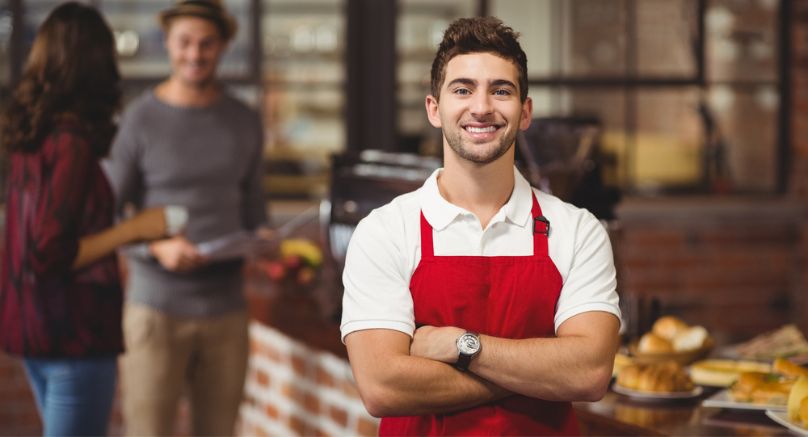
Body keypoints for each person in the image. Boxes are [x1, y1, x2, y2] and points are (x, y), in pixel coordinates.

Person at [341, 16, 621, 436]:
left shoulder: (576, 230)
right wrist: (536, 376)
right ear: (434, 109)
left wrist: (460, 345)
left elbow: (588, 375)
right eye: (462, 89)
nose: (482, 107)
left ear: (525, 112)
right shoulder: (384, 231)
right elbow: (382, 387)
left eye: (501, 90)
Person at [0, 3, 169, 435]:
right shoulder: (70, 142)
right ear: (94, 63)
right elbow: (49, 251)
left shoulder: (32, 135)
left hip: (31, 329)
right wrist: (136, 228)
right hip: (72, 334)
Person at [102, 0, 268, 435]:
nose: (195, 54)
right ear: (167, 44)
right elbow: (108, 213)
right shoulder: (139, 120)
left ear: (224, 46)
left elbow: (255, 214)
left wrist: (266, 243)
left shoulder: (244, 120)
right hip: (155, 311)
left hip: (227, 312)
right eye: (185, 43)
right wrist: (157, 246)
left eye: (207, 43)